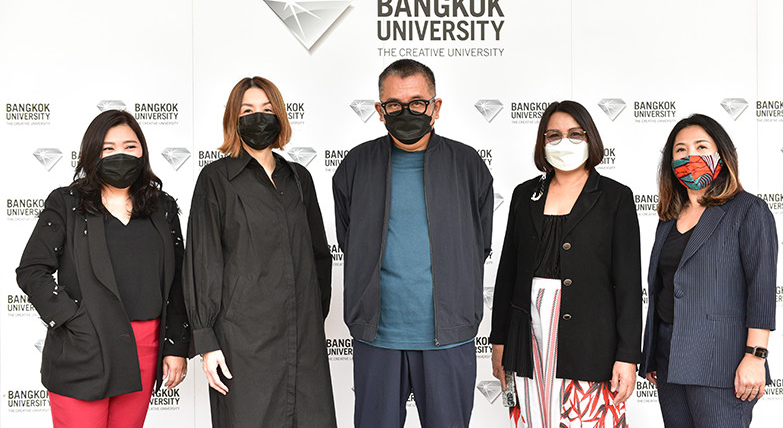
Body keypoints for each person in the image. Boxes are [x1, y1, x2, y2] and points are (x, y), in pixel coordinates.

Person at [332, 59, 493, 427]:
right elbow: (349, 239)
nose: (406, 112)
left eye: (417, 102)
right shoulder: (356, 165)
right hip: (377, 336)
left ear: (435, 107)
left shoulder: (467, 165)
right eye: (394, 104)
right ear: (380, 111)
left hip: (448, 335)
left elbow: (479, 243)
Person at [16, 110, 190, 428]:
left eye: (129, 146)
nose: (120, 155)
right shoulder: (66, 203)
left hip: (145, 346)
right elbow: (32, 269)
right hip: (84, 345)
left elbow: (178, 280)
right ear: (92, 154)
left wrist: (175, 346)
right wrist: (72, 319)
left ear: (142, 151)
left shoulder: (162, 206)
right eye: (108, 148)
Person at [183, 76, 336, 427]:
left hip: (303, 340)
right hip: (243, 342)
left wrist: (311, 315)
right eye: (247, 111)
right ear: (233, 119)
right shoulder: (216, 179)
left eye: (267, 109)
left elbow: (318, 254)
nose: (259, 117)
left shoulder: (298, 178)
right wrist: (206, 339)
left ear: (280, 115)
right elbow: (203, 261)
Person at [490, 100, 641, 428]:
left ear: (590, 138)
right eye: (554, 135)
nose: (564, 142)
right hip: (527, 334)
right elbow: (507, 275)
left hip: (590, 340)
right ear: (543, 142)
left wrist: (628, 356)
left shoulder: (615, 197)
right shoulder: (524, 194)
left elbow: (628, 286)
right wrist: (499, 341)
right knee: (534, 417)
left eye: (575, 134)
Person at [639, 114, 777, 427]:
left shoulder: (748, 210)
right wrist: (653, 352)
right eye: (681, 150)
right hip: (669, 358)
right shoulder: (668, 218)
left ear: (721, 155)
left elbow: (761, 288)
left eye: (701, 147)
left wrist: (755, 356)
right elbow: (663, 286)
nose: (691, 156)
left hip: (721, 363)